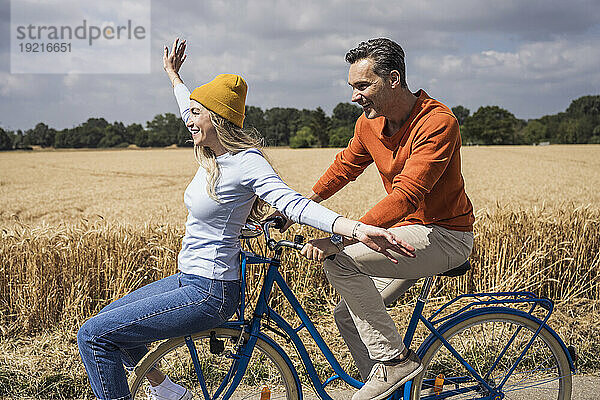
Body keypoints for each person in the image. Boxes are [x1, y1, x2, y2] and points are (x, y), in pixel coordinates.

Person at [76, 38, 416, 400]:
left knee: (95, 337)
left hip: (208, 291)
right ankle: (167, 390)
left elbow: (293, 203)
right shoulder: (211, 151)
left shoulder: (245, 162)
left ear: (216, 118)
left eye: (196, 114)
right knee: (110, 325)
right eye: (189, 112)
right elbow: (188, 108)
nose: (188, 120)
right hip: (187, 278)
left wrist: (354, 228)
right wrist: (174, 76)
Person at [280, 38, 475, 400]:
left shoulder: (437, 123)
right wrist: (296, 209)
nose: (354, 96)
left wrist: (340, 238)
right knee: (346, 316)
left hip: (446, 234)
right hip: (404, 234)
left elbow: (407, 195)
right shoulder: (369, 125)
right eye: (352, 86)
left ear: (394, 79)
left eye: (362, 85)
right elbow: (344, 168)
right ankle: (389, 388)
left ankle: (394, 362)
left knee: (340, 262)